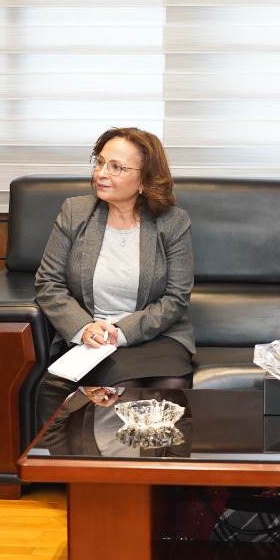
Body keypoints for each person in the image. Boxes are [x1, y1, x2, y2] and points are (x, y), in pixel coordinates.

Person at [35, 127, 195, 392]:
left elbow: (176, 297)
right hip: (92, 339)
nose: (101, 173)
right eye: (99, 162)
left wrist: (121, 332)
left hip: (156, 336)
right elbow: (48, 283)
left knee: (171, 385)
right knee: (122, 388)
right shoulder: (75, 213)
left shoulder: (173, 222)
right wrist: (84, 328)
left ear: (144, 180)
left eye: (116, 167)